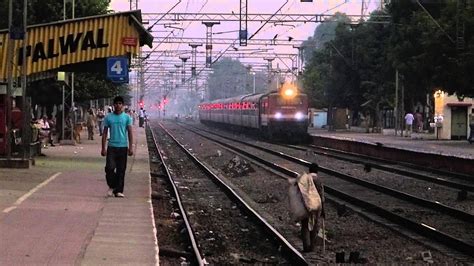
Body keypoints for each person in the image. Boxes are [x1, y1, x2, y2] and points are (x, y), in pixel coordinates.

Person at [101, 96, 134, 198]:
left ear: (123, 105)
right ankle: (113, 185)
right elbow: (105, 133)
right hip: (112, 146)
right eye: (116, 103)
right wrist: (103, 148)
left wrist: (130, 147)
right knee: (109, 168)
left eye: (120, 103)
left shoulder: (127, 118)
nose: (118, 105)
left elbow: (130, 133)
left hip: (123, 146)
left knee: (121, 169)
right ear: (113, 105)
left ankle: (119, 191)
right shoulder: (108, 117)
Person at [288, 163, 325, 252]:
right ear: (317, 171)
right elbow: (321, 196)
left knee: (305, 226)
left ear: (309, 170)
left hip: (305, 206)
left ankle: (306, 247)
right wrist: (323, 209)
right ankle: (312, 247)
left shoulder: (304, 179)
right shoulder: (318, 180)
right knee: (314, 227)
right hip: (316, 207)